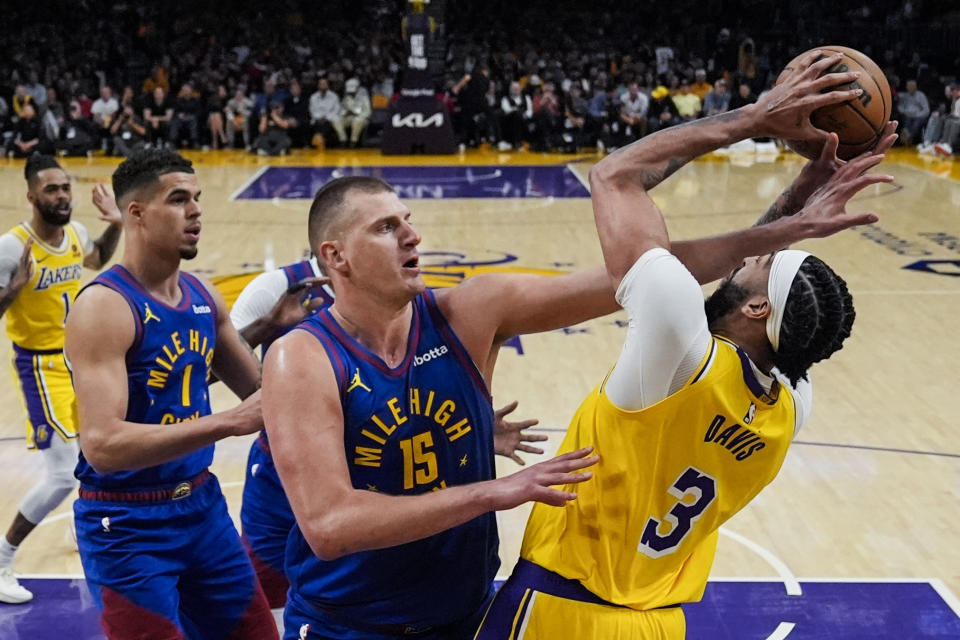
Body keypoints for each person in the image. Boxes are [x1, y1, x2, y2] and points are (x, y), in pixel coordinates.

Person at [260, 86, 878, 635]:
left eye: (409, 221)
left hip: (467, 611)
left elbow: (644, 272)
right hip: (354, 625)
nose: (413, 235)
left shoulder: (471, 312)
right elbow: (330, 525)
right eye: (386, 227)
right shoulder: (301, 358)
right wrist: (493, 490)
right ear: (334, 257)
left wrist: (783, 225)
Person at [475, 51, 897, 639]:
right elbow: (748, 299)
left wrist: (755, 118)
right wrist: (793, 206)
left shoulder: (678, 355)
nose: (750, 256)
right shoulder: (790, 407)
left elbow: (615, 176)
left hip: (562, 614)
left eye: (760, 264)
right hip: (658, 625)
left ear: (756, 308)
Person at [232, 252, 547, 632]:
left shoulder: (403, 297)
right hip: (279, 481)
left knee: (380, 569)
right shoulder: (278, 288)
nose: (405, 237)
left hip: (371, 472)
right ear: (335, 248)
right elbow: (243, 381)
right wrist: (268, 326)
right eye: (383, 225)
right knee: (275, 601)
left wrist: (463, 431)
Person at [64, 149, 278, 639]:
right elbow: (102, 446)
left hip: (202, 510)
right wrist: (229, 422)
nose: (197, 210)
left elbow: (265, 392)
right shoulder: (104, 306)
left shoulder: (204, 297)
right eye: (179, 199)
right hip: (126, 521)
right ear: (134, 213)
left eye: (197, 198)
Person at [0, 154, 123, 604]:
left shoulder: (75, 234)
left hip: (80, 362)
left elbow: (97, 259)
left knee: (95, 450)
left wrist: (115, 224)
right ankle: (2, 559)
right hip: (39, 367)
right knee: (59, 476)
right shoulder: (11, 247)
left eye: (65, 187)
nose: (62, 196)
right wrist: (14, 290)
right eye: (52, 189)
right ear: (32, 196)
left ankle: (78, 524)